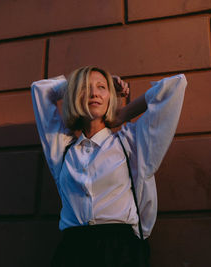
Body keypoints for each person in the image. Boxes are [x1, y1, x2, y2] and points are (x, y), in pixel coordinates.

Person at [31, 66, 187, 267]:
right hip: (72, 251)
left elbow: (174, 86)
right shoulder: (61, 148)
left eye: (102, 88)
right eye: (85, 88)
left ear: (110, 97)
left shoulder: (131, 143)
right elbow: (41, 89)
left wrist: (122, 114)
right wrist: (73, 85)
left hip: (120, 251)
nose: (94, 93)